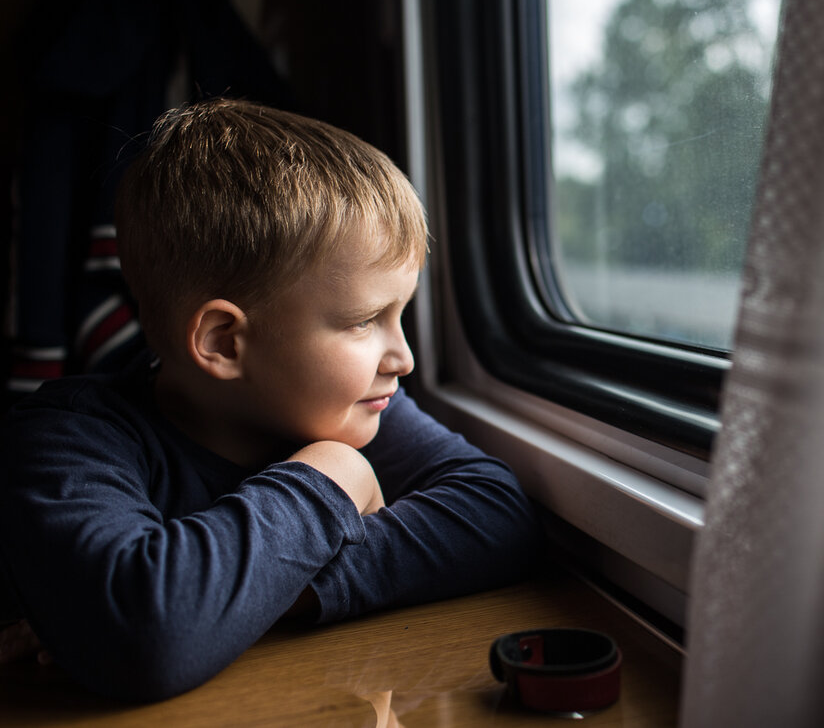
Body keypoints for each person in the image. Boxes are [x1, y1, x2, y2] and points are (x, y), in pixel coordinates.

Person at [0, 98, 542, 702]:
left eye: (400, 315)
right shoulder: (66, 439)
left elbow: (498, 515)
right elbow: (147, 636)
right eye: (365, 321)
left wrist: (244, 601)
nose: (404, 358)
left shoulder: (355, 405)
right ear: (225, 342)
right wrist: (330, 476)